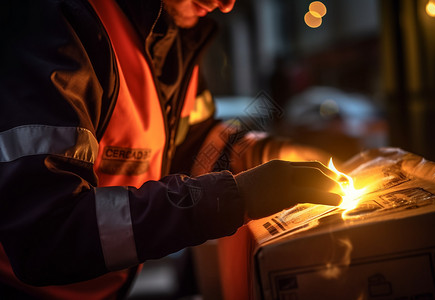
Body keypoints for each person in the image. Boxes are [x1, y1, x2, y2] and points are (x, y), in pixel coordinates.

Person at [0, 0, 343, 298]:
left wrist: (264, 152)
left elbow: (192, 152)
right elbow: (47, 233)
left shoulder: (175, 39)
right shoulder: (62, 24)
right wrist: (234, 197)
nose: (226, 4)